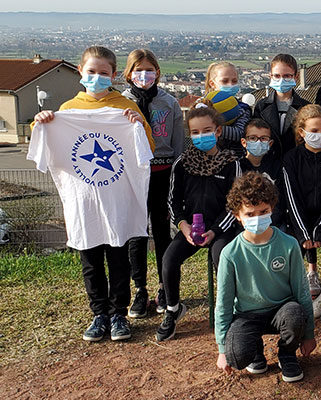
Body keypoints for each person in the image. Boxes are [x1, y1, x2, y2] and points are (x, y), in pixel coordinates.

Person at [32, 45, 155, 342]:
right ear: (80, 72)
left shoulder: (123, 107)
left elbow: (146, 149)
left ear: (113, 75)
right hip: (83, 201)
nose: (97, 78)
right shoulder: (68, 110)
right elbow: (46, 149)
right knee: (90, 261)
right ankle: (98, 313)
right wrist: (43, 123)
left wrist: (138, 125)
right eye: (92, 72)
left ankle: (118, 314)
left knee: (118, 259)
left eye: (103, 73)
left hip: (116, 200)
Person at [215, 172, 316, 383]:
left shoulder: (288, 244)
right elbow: (223, 304)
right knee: (237, 357)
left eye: (264, 211)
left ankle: (287, 354)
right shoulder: (230, 253)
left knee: (294, 313)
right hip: (247, 314)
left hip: (281, 310)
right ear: (237, 215)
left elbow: (302, 292)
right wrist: (222, 350)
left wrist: (308, 335)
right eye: (250, 214)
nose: (257, 218)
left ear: (272, 208)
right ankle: (255, 350)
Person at [157, 104, 242, 342]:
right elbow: (173, 202)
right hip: (189, 229)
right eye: (195, 132)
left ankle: (230, 310)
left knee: (221, 257)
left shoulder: (230, 162)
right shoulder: (182, 164)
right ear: (189, 134)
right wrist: (183, 227)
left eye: (207, 130)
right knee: (169, 259)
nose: (201, 136)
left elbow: (234, 205)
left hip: (221, 228)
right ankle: (173, 310)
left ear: (217, 131)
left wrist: (215, 232)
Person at [120, 49, 184, 318]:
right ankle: (139, 289)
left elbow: (178, 141)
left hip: (163, 170)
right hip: (132, 174)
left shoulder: (169, 103)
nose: (143, 75)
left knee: (161, 230)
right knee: (136, 231)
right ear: (128, 73)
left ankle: (163, 287)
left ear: (157, 72)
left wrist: (178, 173)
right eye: (138, 70)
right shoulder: (119, 102)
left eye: (149, 69)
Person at [281, 105, 321, 310]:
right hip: (299, 222)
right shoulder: (291, 158)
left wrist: (320, 231)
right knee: (287, 253)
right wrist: (304, 233)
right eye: (314, 131)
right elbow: (292, 196)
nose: (320, 135)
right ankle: (292, 295)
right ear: (302, 132)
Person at [252, 53, 310, 158]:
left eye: (287, 76)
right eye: (277, 76)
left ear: (296, 77)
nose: (281, 80)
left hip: (296, 162)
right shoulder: (261, 106)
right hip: (269, 160)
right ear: (271, 76)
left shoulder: (306, 107)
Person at [238, 118, 286, 229]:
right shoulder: (238, 167)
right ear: (244, 142)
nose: (258, 142)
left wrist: (267, 221)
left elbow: (281, 201)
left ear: (270, 143)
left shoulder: (277, 167)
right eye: (253, 138)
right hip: (245, 224)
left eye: (263, 138)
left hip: (273, 222)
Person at [204, 61, 251, 152]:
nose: (230, 85)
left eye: (234, 81)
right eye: (225, 81)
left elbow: (239, 133)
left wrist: (212, 128)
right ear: (212, 84)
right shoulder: (203, 105)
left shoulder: (242, 109)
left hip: (234, 158)